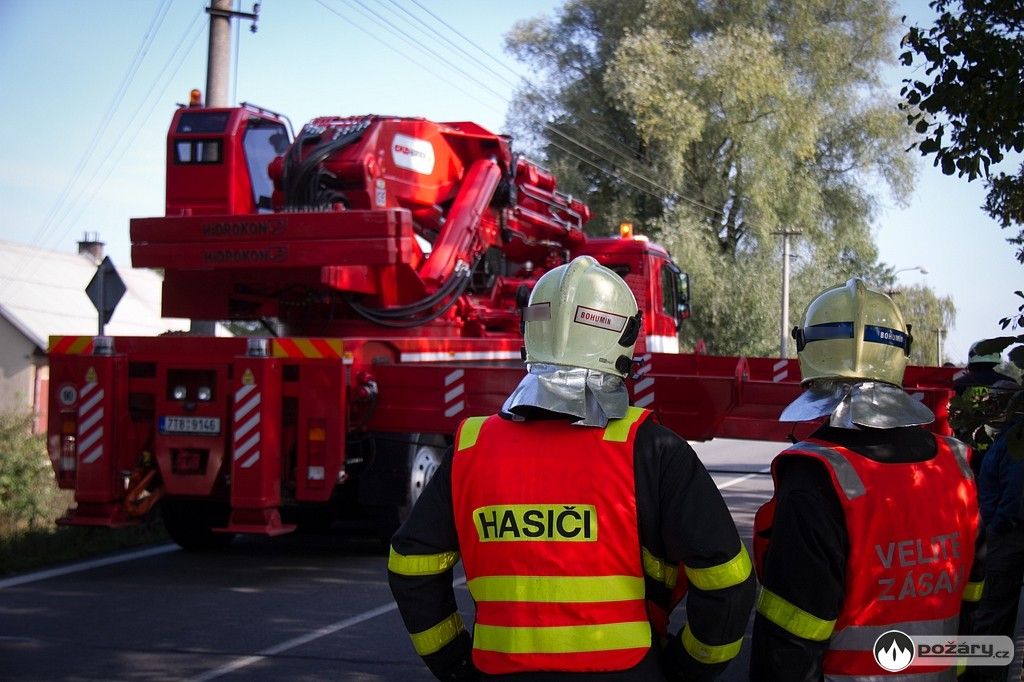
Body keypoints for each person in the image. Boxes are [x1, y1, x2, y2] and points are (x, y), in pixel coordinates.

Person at [388, 255, 755, 681]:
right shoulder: (652, 450)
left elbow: (411, 568)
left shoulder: (471, 446)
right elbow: (727, 583)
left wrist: (454, 665)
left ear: (529, 332)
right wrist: (686, 668)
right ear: (624, 336)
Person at [750, 278, 984, 681]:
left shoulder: (817, 474)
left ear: (809, 351)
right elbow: (978, 599)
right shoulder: (957, 464)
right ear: (899, 352)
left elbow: (792, 634)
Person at [965, 371, 1023, 682]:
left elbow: (1014, 494)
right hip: (1000, 533)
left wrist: (998, 526)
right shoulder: (1006, 438)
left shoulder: (1015, 440)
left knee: (993, 610)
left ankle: (983, 674)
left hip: (1004, 537)